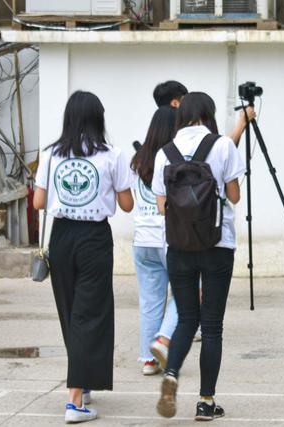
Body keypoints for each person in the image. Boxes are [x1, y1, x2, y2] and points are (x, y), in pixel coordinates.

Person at [33, 91, 134, 423]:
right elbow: (127, 204)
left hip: (61, 236)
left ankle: (84, 381)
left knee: (71, 311)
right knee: (91, 313)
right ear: (98, 119)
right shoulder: (112, 155)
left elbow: (38, 203)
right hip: (93, 238)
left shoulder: (50, 154)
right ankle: (74, 401)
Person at [152, 92, 245, 421]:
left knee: (186, 318)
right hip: (217, 245)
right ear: (208, 114)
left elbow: (162, 206)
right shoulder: (222, 146)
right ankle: (206, 401)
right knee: (213, 326)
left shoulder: (165, 153)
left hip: (178, 247)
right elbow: (234, 195)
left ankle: (171, 374)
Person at [130, 107, 179, 376]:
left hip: (142, 239)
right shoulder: (173, 159)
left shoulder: (138, 160)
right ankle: (163, 339)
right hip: (169, 237)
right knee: (188, 293)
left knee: (150, 300)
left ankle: (149, 359)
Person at [153, 79, 256, 145]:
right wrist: (242, 123)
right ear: (175, 103)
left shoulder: (156, 132)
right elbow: (220, 151)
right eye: (186, 100)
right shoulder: (184, 129)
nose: (189, 104)